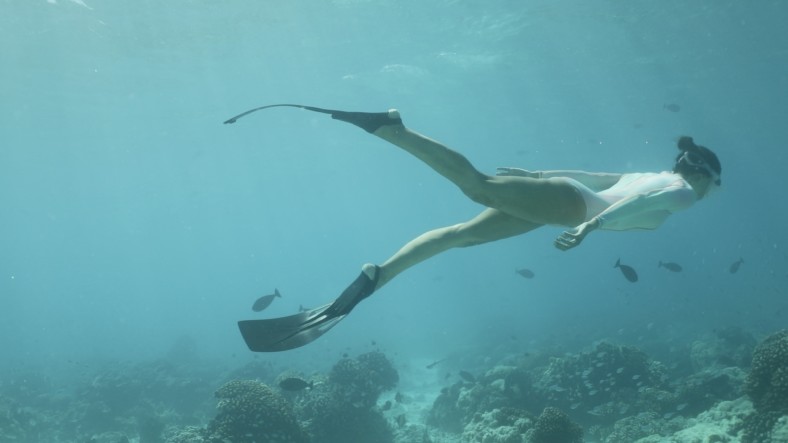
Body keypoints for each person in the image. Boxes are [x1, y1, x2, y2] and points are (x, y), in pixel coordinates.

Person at [227, 105, 722, 351]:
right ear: (707, 176)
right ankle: (393, 128)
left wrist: (538, 174)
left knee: (461, 234)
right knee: (478, 186)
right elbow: (628, 201)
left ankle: (378, 276)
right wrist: (591, 228)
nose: (713, 192)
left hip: (564, 198)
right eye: (715, 185)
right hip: (573, 205)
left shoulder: (661, 174)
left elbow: (603, 176)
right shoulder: (681, 192)